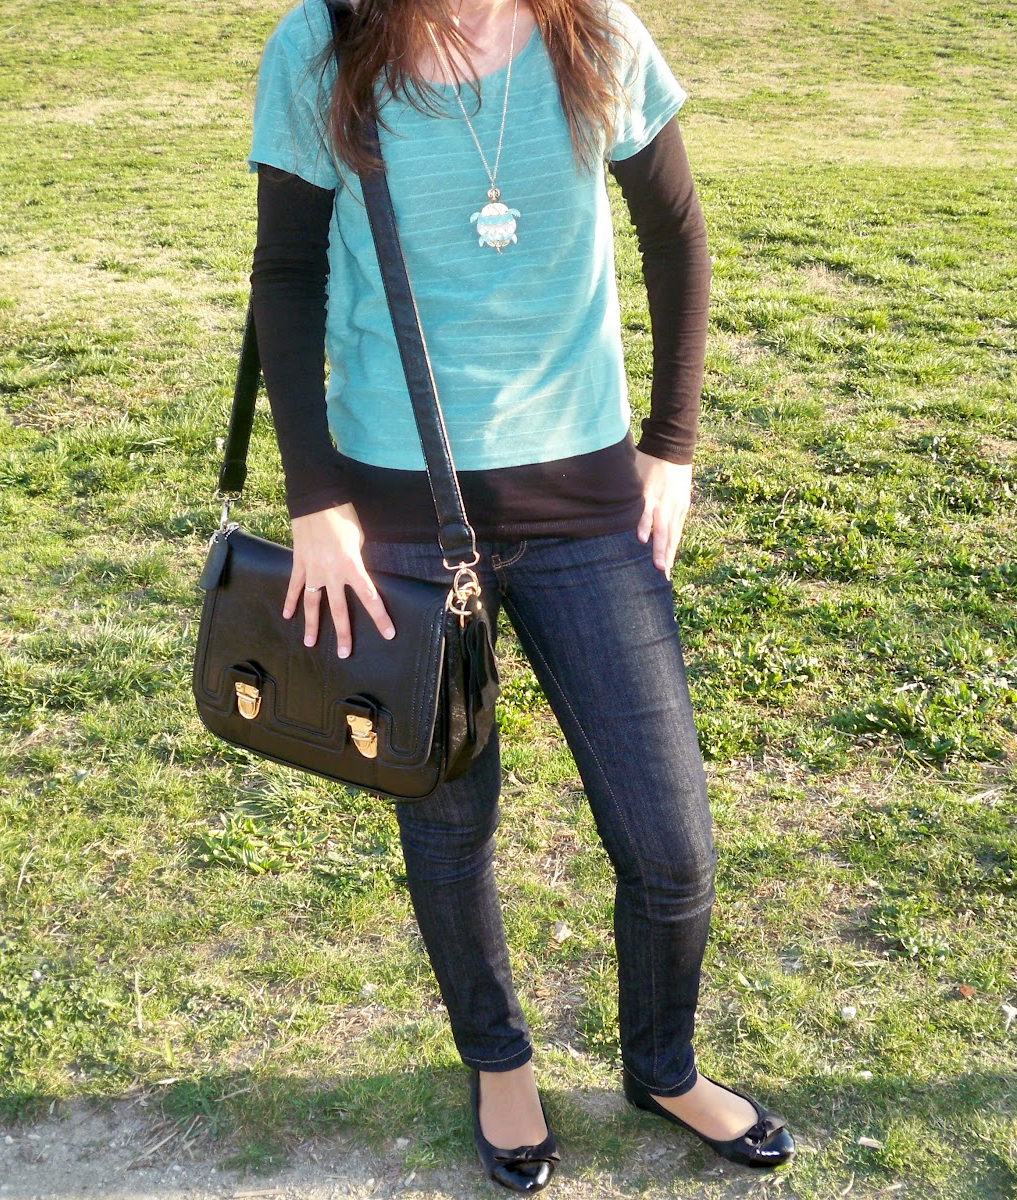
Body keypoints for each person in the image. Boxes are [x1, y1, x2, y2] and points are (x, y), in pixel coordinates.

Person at [245, 0, 795, 1189]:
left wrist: (672, 444)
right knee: (450, 825)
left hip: (587, 502)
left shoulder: (594, 31)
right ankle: (498, 1064)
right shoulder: (324, 42)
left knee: (670, 845)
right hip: (397, 507)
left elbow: (676, 228)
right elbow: (285, 273)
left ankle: (662, 1067)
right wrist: (316, 498)